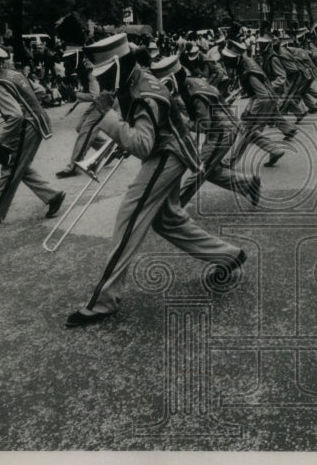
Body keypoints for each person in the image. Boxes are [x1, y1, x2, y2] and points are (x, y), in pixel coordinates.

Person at [66, 35, 246, 327]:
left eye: (107, 73)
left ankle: (103, 301)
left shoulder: (143, 93)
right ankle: (229, 256)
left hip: (166, 155)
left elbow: (141, 144)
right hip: (169, 152)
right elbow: (141, 134)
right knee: (167, 220)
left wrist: (106, 116)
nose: (105, 80)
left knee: (129, 219)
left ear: (119, 65)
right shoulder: (136, 80)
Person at [0, 42, 66, 228]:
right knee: (19, 165)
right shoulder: (13, 74)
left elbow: (15, 116)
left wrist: (0, 140)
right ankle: (53, 195)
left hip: (27, 126)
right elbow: (40, 91)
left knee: (9, 170)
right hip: (37, 122)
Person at [151, 55, 261, 207]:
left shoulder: (193, 93)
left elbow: (205, 125)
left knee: (200, 170)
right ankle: (248, 183)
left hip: (221, 132)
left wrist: (182, 123)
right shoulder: (194, 82)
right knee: (212, 171)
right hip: (224, 128)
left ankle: (176, 206)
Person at [220, 39, 296, 167]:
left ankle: (230, 161)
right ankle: (274, 150)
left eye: (229, 59)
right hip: (267, 98)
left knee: (245, 130)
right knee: (250, 130)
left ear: (236, 58)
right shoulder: (246, 62)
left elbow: (262, 95)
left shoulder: (248, 70)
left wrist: (251, 112)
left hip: (264, 100)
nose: (226, 62)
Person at [56, 37, 120, 178]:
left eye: (70, 61)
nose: (67, 64)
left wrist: (74, 94)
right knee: (80, 127)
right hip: (102, 99)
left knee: (86, 130)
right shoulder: (86, 69)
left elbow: (95, 96)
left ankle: (73, 166)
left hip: (105, 101)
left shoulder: (90, 73)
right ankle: (109, 150)